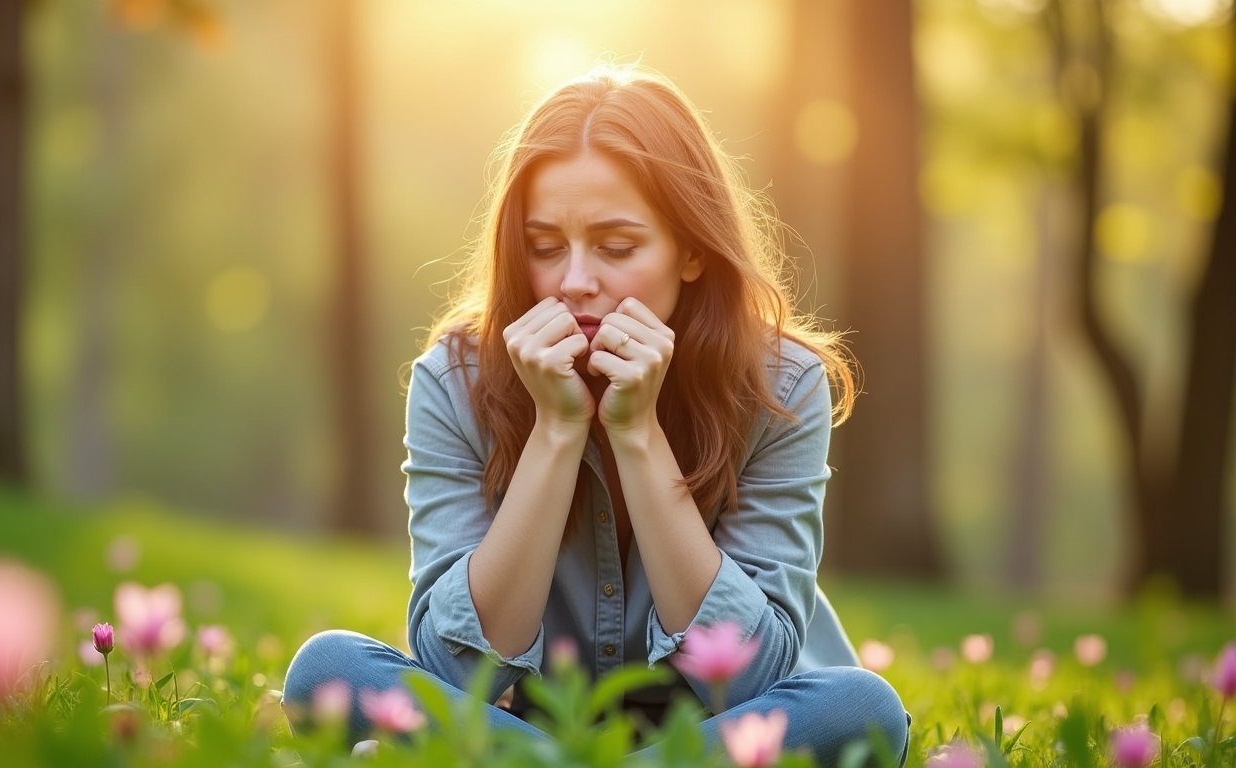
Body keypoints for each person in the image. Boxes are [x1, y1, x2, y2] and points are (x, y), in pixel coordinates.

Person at [283, 64, 909, 766]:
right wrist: (555, 432)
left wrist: (638, 435)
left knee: (862, 710)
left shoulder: (782, 386)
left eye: (616, 247)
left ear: (692, 249)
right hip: (545, 720)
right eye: (545, 247)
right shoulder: (453, 383)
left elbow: (752, 682)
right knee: (326, 670)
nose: (575, 281)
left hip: (719, 726)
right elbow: (453, 670)